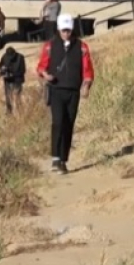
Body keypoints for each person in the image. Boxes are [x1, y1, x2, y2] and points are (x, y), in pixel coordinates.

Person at [36, 14, 95, 175]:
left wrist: (87, 85)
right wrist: (45, 75)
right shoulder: (50, 46)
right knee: (58, 122)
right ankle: (55, 157)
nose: (66, 33)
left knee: (69, 124)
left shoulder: (82, 47)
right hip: (56, 90)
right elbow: (41, 66)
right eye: (63, 30)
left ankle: (63, 159)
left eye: (68, 30)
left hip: (73, 91)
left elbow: (87, 68)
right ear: (58, 30)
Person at [0, 46, 26, 115]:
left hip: (17, 80)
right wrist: (2, 69)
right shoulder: (5, 56)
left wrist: (13, 74)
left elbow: (23, 70)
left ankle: (18, 113)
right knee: (8, 97)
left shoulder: (20, 57)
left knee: (16, 97)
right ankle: (9, 112)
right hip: (7, 80)